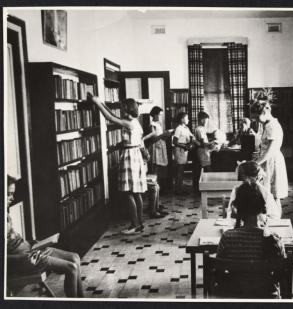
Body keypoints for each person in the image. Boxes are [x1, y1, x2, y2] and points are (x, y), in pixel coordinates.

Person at [7, 175, 84, 298]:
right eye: (8, 194)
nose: (12, 198)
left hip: (31, 249)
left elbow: (14, 241)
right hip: (26, 259)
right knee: (71, 268)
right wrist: (24, 257)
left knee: (75, 257)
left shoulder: (6, 213)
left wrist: (34, 243)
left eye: (12, 193)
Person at [216, 180, 286, 298]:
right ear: (262, 207)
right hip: (265, 296)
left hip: (234, 296)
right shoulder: (274, 239)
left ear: (237, 208)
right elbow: (281, 274)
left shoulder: (227, 237)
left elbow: (219, 272)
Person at [90, 95, 146, 234]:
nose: (121, 110)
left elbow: (110, 118)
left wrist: (97, 103)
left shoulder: (129, 123)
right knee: (136, 192)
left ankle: (134, 224)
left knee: (128, 193)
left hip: (129, 156)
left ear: (127, 109)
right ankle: (140, 222)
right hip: (135, 155)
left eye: (123, 108)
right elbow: (113, 115)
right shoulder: (135, 122)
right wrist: (102, 103)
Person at [253, 101, 288, 213]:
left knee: (274, 196)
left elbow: (270, 151)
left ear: (265, 112)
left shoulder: (272, 126)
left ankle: (276, 222)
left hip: (272, 160)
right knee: (267, 196)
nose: (257, 120)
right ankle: (268, 222)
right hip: (267, 161)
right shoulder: (266, 124)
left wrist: (256, 163)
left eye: (257, 117)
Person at [226, 161, 280, 227]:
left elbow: (275, 217)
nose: (249, 182)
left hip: (258, 228)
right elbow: (230, 214)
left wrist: (262, 219)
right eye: (247, 178)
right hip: (242, 227)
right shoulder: (237, 191)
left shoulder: (264, 192)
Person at [143, 106, 171, 190]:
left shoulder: (159, 124)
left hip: (161, 146)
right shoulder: (152, 125)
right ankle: (154, 187)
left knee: (160, 168)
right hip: (155, 147)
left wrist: (167, 135)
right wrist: (163, 135)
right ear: (155, 115)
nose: (160, 117)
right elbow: (153, 138)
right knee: (155, 167)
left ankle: (159, 186)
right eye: (159, 115)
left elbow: (161, 137)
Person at [193, 111, 217, 193]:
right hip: (202, 151)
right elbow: (203, 143)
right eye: (206, 120)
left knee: (205, 168)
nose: (206, 122)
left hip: (204, 151)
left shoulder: (202, 128)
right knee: (207, 168)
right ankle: (211, 187)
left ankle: (206, 186)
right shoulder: (199, 129)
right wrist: (212, 143)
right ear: (202, 120)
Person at [172, 112, 194, 195]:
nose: (188, 119)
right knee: (179, 170)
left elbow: (191, 136)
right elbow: (174, 141)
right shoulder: (179, 128)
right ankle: (178, 190)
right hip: (180, 150)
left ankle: (180, 188)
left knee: (182, 170)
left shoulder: (186, 128)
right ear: (182, 120)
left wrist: (191, 143)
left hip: (184, 150)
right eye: (186, 118)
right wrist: (184, 146)